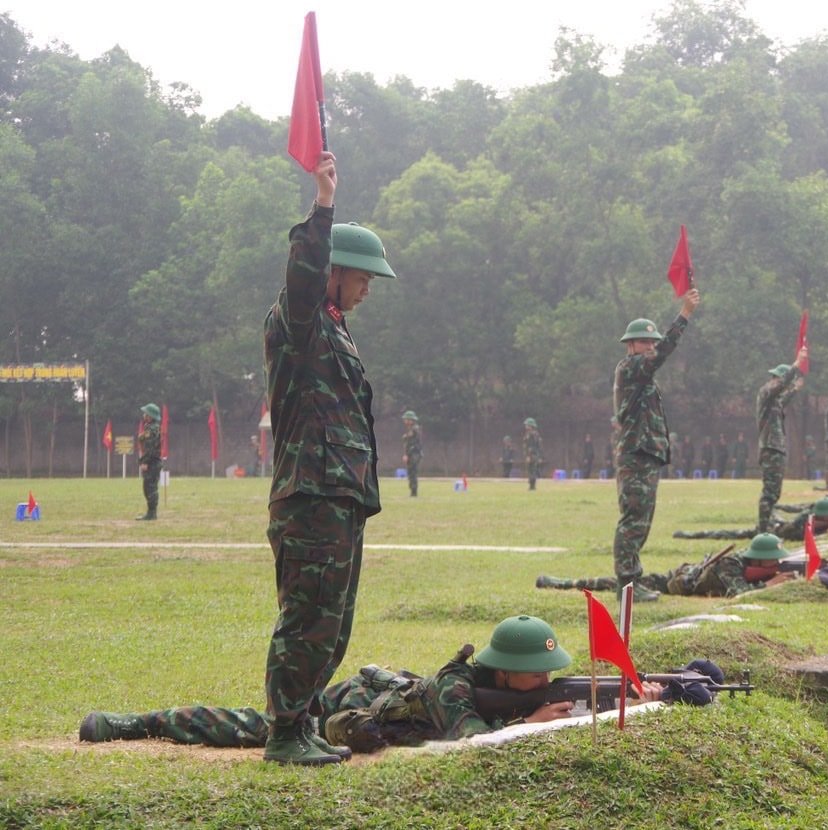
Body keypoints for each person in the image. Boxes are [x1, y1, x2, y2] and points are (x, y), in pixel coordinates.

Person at [261, 150, 397, 766]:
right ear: (333, 271)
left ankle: (307, 721)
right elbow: (302, 274)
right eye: (363, 277)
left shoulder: (336, 327)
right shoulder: (302, 319)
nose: (369, 289)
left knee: (333, 623)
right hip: (310, 496)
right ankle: (285, 733)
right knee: (309, 617)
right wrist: (323, 204)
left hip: (339, 496)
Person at [78, 615, 654, 756]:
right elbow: (473, 744)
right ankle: (142, 722)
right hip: (353, 704)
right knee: (257, 727)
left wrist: (637, 696)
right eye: (536, 675)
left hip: (391, 689)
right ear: (502, 671)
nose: (546, 683)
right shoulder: (456, 687)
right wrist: (528, 726)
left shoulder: (505, 684)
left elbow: (568, 701)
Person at [611, 288, 701, 603]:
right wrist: (685, 313)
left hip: (645, 455)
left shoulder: (643, 376)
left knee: (641, 520)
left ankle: (632, 581)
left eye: (652, 341)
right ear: (631, 345)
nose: (650, 346)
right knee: (633, 520)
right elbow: (663, 353)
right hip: (635, 456)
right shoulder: (631, 367)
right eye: (645, 341)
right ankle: (627, 586)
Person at [538, 532, 797, 598]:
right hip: (671, 581)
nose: (777, 563)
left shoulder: (747, 562)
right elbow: (737, 592)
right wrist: (768, 584)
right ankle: (560, 582)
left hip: (680, 577)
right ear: (760, 558)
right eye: (773, 560)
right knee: (614, 584)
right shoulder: (731, 563)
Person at [755, 347, 807, 532]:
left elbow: (784, 398)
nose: (775, 380)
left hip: (776, 449)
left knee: (774, 492)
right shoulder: (766, 392)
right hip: (770, 448)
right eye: (777, 378)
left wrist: (795, 388)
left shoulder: (775, 401)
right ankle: (762, 530)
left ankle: (767, 525)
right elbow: (780, 387)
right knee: (769, 493)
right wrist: (796, 364)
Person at [673, 495, 828, 542]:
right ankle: (687, 534)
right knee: (726, 533)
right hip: (770, 530)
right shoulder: (805, 520)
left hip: (777, 526)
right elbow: (798, 532)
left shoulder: (815, 520)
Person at [136, 403, 162, 520]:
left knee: (150, 488)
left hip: (152, 462)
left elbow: (150, 447)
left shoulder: (152, 429)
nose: (144, 415)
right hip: (153, 461)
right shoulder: (152, 428)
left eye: (146, 413)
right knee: (148, 487)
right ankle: (151, 513)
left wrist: (144, 461)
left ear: (150, 416)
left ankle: (152, 514)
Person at [401, 410, 422, 497]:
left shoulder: (414, 429)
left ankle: (414, 492)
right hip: (412, 453)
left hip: (414, 454)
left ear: (411, 420)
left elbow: (410, 443)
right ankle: (413, 491)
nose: (405, 421)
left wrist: (407, 454)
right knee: (411, 473)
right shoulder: (412, 429)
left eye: (406, 419)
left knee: (412, 473)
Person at [522, 418, 542, 490]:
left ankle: (532, 486)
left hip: (532, 455)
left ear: (531, 426)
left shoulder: (533, 435)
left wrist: (529, 456)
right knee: (530, 470)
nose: (526, 426)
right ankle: (531, 485)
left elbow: (532, 446)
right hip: (532, 454)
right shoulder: (529, 434)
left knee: (532, 470)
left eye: (527, 425)